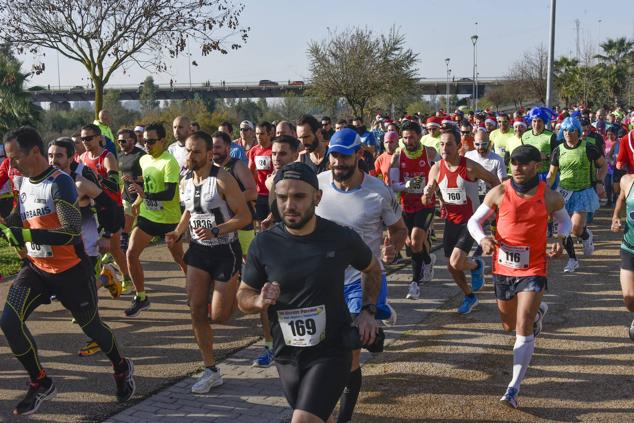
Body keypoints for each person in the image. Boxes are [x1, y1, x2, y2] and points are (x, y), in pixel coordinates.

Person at [0, 127, 135, 416]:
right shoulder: (23, 181)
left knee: (91, 328)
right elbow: (19, 217)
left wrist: (25, 236)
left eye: (15, 158)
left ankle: (121, 366)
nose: (12, 165)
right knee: (9, 321)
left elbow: (70, 233)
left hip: (71, 270)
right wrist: (8, 226)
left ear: (34, 152)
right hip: (36, 269)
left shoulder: (60, 183)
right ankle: (41, 382)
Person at [236, 162, 382, 423]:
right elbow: (243, 296)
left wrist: (368, 311)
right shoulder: (264, 244)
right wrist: (258, 300)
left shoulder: (340, 237)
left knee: (303, 420)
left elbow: (372, 269)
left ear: (317, 197)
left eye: (299, 197)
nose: (289, 205)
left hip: (332, 351)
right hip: (287, 355)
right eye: (282, 197)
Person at [467, 144, 571, 409]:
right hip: (503, 268)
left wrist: (560, 239)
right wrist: (483, 239)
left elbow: (565, 221)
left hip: (534, 266)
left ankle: (513, 388)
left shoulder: (548, 196)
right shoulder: (500, 192)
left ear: (536, 165)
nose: (517, 168)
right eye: (513, 162)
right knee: (508, 325)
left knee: (522, 327)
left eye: (524, 163)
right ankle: (537, 312)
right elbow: (474, 222)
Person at [316, 128, 407, 423]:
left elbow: (399, 229)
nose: (338, 163)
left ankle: (342, 418)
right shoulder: (317, 186)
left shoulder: (378, 191)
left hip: (361, 279)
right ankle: (379, 314)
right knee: (322, 347)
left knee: (349, 350)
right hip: (323, 282)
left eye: (344, 156)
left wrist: (393, 247)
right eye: (334, 156)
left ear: (359, 155)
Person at [165, 131, 251, 393]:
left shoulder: (223, 179)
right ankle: (210, 369)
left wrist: (218, 230)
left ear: (209, 155)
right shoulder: (186, 181)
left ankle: (246, 288)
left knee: (220, 316)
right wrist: (179, 232)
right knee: (196, 310)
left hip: (225, 250)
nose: (190, 156)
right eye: (188, 151)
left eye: (196, 152)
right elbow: (191, 209)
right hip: (199, 252)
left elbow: (245, 216)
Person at [48, 138, 124, 356]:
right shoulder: (48, 180)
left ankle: (96, 337)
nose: (53, 160)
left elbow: (111, 204)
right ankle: (107, 277)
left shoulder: (81, 181)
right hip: (64, 246)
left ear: (72, 157)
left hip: (87, 244)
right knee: (68, 292)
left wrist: (108, 235)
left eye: (59, 156)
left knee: (81, 293)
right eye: (51, 155)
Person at [421, 127, 500, 314]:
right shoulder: (436, 168)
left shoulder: (470, 167)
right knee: (451, 266)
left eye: (449, 144)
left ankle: (476, 265)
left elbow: (494, 181)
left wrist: (490, 206)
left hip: (471, 221)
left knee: (456, 262)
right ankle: (470, 295)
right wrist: (428, 193)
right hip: (451, 221)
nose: (444, 148)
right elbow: (426, 199)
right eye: (441, 144)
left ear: (458, 146)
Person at [125, 122, 186, 316]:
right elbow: (149, 183)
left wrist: (144, 194)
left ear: (163, 141)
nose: (147, 145)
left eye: (151, 141)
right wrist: (137, 197)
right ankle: (141, 297)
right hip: (148, 217)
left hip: (169, 219)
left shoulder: (170, 162)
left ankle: (198, 289)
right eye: (144, 142)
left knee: (179, 258)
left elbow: (169, 194)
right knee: (131, 254)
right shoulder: (144, 160)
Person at [547, 116, 607, 273]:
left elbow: (603, 165)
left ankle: (586, 235)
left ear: (578, 131)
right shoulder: (558, 150)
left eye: (571, 130)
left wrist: (599, 181)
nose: (568, 133)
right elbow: (552, 174)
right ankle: (573, 259)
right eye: (565, 130)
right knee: (563, 228)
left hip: (583, 192)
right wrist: (545, 186)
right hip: (564, 192)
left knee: (575, 228)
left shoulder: (589, 148)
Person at [388, 120, 438, 299]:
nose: (409, 141)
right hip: (406, 205)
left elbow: (442, 173)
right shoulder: (397, 157)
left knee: (416, 241)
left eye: (412, 138)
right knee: (410, 243)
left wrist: (434, 190)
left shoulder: (430, 153)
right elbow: (393, 186)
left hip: (426, 204)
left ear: (419, 137)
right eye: (405, 138)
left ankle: (414, 284)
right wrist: (406, 185)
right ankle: (427, 260)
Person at [79, 124, 129, 285]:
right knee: (92, 247)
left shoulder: (107, 157)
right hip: (93, 210)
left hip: (112, 208)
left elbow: (115, 184)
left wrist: (97, 179)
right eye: (83, 139)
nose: (85, 141)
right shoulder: (82, 158)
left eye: (89, 138)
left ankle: (124, 277)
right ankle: (100, 276)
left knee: (113, 248)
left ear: (99, 138)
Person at [117, 129, 146, 292]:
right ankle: (126, 273)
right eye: (119, 141)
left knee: (125, 234)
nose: (121, 144)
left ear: (133, 140)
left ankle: (127, 275)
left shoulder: (140, 156)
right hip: (126, 198)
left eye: (124, 141)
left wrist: (134, 179)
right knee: (124, 234)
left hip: (140, 199)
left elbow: (147, 177)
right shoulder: (120, 156)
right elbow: (122, 175)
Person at [521, 107, 558, 182]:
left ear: (544, 122)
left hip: (547, 174)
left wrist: (547, 157)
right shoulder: (525, 135)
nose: (536, 124)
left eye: (539, 121)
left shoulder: (551, 136)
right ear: (531, 121)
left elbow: (559, 158)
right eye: (534, 121)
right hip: (530, 174)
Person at [248, 122, 274, 224]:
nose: (259, 136)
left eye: (262, 133)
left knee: (272, 224)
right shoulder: (253, 151)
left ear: (269, 134)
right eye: (257, 133)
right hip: (259, 195)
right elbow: (250, 171)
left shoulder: (275, 150)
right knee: (259, 224)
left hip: (272, 193)